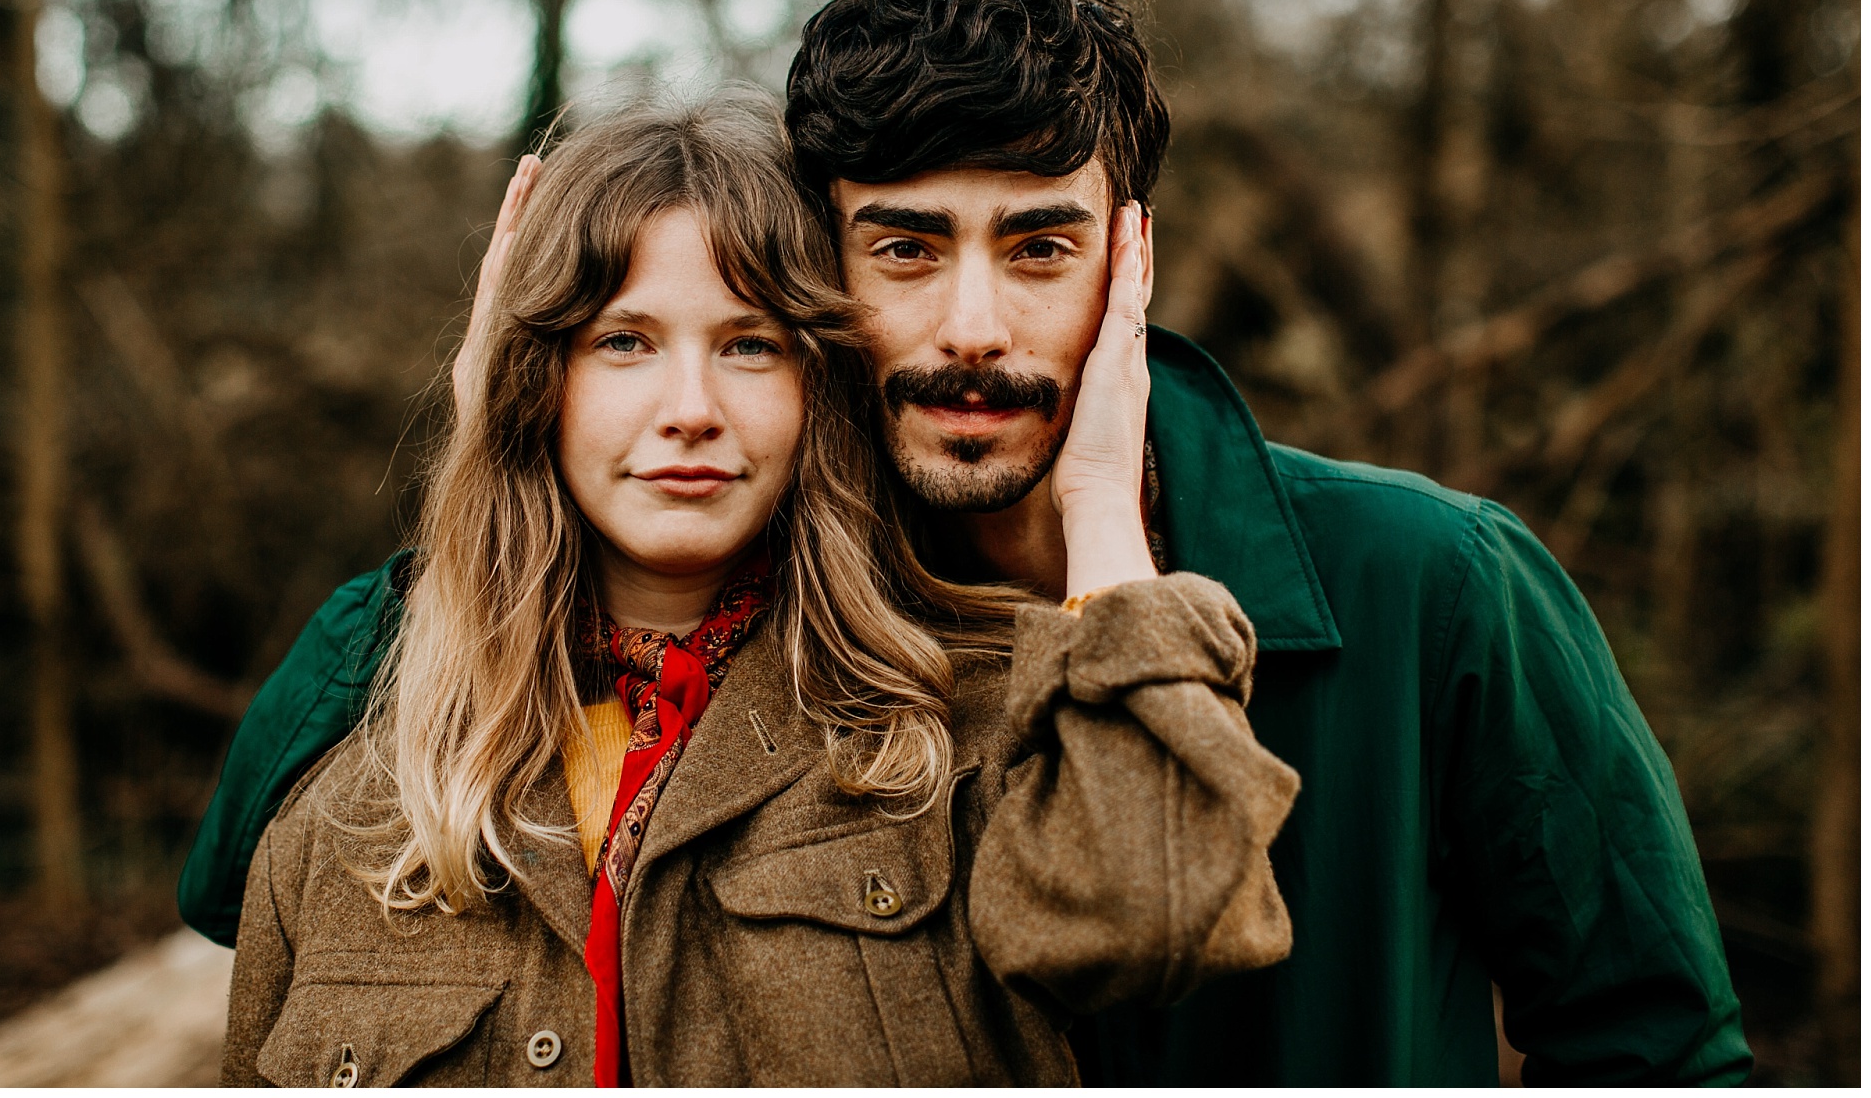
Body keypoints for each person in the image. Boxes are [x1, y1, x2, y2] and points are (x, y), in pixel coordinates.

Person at [185, 0, 1754, 1085]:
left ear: (1130, 256)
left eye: (1042, 249)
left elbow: (1655, 1039)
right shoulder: (797, 614)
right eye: (908, 248)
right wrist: (492, 443)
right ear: (821, 283)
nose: (975, 330)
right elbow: (262, 858)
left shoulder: (1433, 582)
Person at [216, 92, 1300, 1086]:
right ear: (533, 380)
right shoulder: (353, 816)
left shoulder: (967, 738)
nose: (689, 407)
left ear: (817, 389)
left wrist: (1102, 496)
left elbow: (1160, 909)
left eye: (748, 344)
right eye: (622, 342)